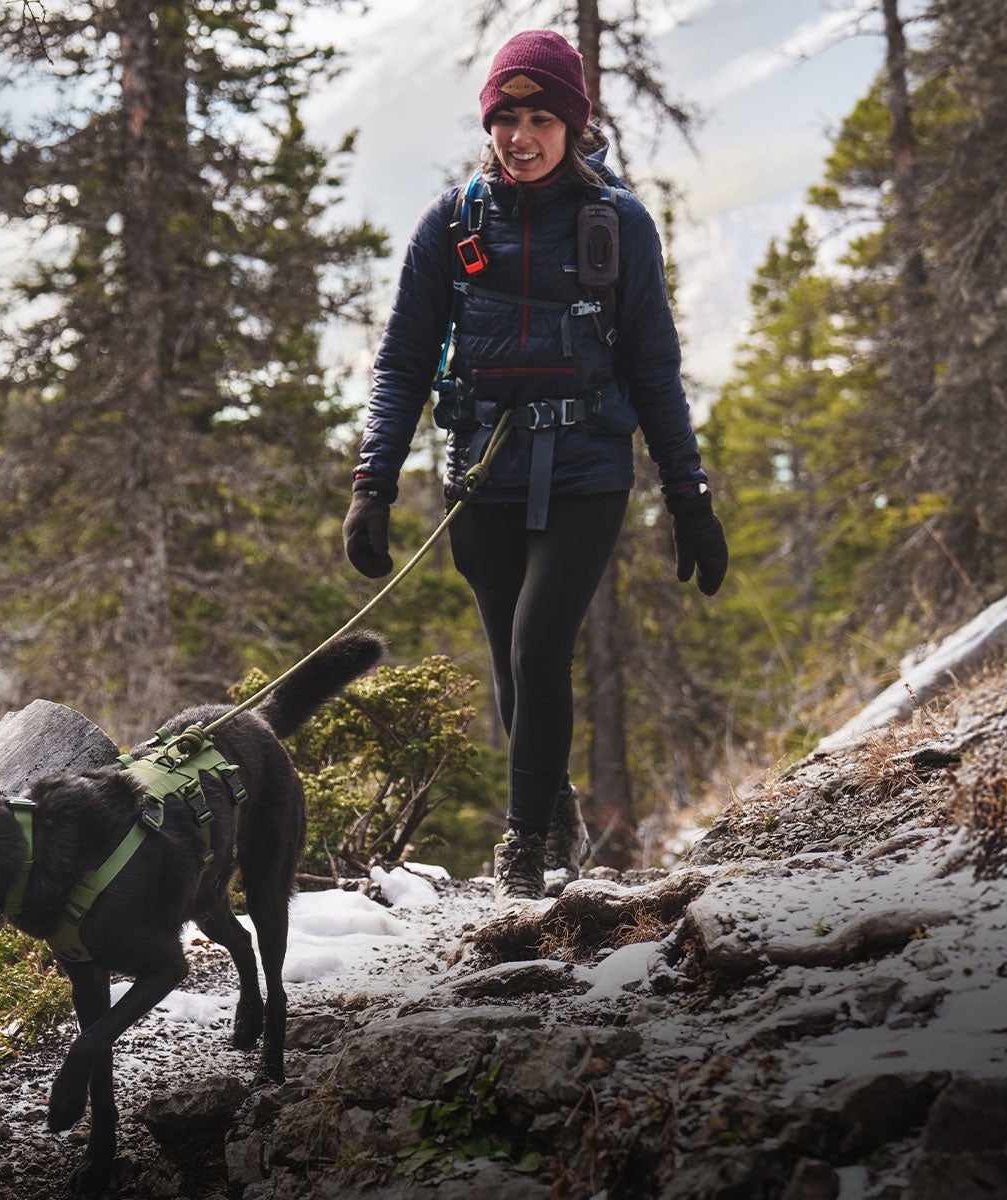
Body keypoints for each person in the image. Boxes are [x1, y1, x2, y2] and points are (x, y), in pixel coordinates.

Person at [343, 28, 726, 900]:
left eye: (541, 117)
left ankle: (522, 852)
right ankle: (552, 809)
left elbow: (653, 369)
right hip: (483, 475)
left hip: (588, 470)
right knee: (513, 662)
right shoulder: (452, 224)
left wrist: (689, 495)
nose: (520, 135)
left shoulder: (616, 224)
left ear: (575, 124)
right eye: (506, 117)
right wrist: (372, 483)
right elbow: (403, 360)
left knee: (538, 644)